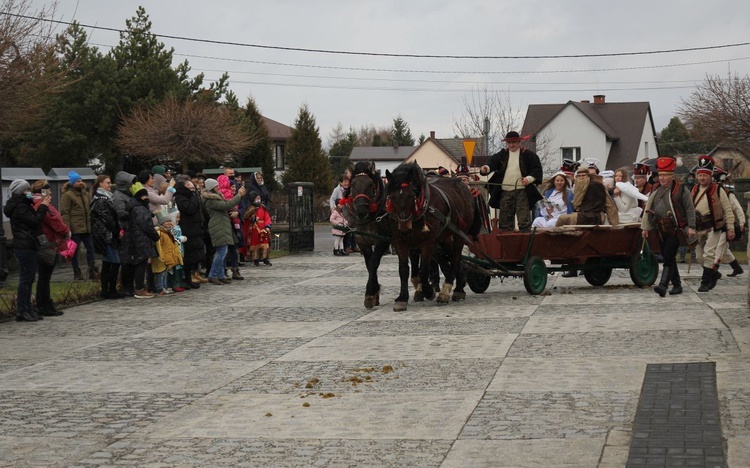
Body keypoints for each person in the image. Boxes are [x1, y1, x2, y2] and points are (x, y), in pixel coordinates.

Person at [641, 156, 696, 297]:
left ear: (672, 176)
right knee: (668, 256)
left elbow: (689, 209)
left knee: (668, 255)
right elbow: (649, 209)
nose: (662, 178)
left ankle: (663, 285)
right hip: (661, 230)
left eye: (665, 175)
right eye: (660, 175)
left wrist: (691, 226)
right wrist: (646, 227)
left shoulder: (681, 189)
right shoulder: (656, 191)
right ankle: (677, 285)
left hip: (676, 229)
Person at [4, 179, 51, 321]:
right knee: (26, 279)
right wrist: (42, 207)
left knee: (30, 278)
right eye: (28, 190)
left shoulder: (23, 203)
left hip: (28, 244)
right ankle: (22, 310)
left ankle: (28, 309)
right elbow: (35, 220)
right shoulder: (20, 207)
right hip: (25, 245)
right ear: (23, 191)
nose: (30, 192)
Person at [479, 131, 543, 232]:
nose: (512, 145)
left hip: (522, 192)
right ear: (506, 144)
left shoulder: (528, 155)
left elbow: (537, 169)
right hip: (505, 193)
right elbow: (492, 163)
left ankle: (525, 245)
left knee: (524, 221)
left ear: (519, 142)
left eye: (514, 142)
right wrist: (486, 168)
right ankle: (506, 245)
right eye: (509, 143)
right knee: (505, 223)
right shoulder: (502, 155)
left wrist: (529, 179)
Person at [691, 156, 736, 292]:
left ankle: (705, 283)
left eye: (705, 175)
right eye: (700, 175)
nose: (702, 178)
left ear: (710, 176)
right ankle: (714, 274)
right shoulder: (694, 190)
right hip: (699, 227)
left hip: (714, 226)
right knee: (699, 256)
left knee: (708, 254)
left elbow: (728, 210)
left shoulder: (718, 190)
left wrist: (731, 228)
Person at [31, 180, 69, 316]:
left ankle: (45, 303)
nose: (51, 194)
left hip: (47, 241)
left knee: (44, 276)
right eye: (49, 191)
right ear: (43, 192)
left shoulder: (37, 203)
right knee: (44, 276)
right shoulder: (42, 205)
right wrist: (66, 231)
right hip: (47, 243)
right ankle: (43, 304)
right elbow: (54, 221)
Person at [202, 178, 246, 285]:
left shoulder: (218, 197)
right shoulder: (211, 200)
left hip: (222, 226)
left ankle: (221, 275)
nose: (218, 188)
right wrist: (238, 195)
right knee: (221, 252)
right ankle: (213, 275)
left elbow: (229, 203)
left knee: (222, 252)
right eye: (216, 186)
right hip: (218, 227)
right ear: (211, 188)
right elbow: (226, 205)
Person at [121, 182, 159, 299]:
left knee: (138, 263)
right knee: (141, 264)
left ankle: (136, 287)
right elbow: (146, 225)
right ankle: (140, 288)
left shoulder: (133, 207)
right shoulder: (140, 209)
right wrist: (155, 235)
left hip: (135, 239)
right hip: (141, 239)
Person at [90, 175, 123, 300]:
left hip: (106, 234)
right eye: (107, 183)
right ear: (100, 184)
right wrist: (116, 231)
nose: (110, 185)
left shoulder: (104, 198)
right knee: (114, 262)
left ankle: (107, 290)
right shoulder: (101, 200)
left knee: (108, 262)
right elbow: (107, 220)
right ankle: (110, 290)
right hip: (106, 235)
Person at [61, 171, 96, 280]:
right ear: (72, 183)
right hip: (75, 228)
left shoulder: (85, 193)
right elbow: (65, 213)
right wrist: (67, 229)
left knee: (91, 249)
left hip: (86, 227)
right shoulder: (68, 195)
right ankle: (77, 273)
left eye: (81, 180)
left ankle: (92, 270)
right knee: (74, 251)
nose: (80, 183)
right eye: (77, 181)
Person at [173, 175, 205, 288]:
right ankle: (185, 279)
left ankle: (191, 277)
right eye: (188, 185)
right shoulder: (180, 197)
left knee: (193, 257)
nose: (191, 188)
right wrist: (193, 197)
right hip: (187, 229)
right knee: (187, 256)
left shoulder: (192, 196)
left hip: (195, 229)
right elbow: (190, 209)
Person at [713, 167, 745, 276]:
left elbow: (738, 209)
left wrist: (742, 223)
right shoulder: (710, 193)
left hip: (726, 225)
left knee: (719, 248)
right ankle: (737, 268)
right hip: (714, 225)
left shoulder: (728, 194)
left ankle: (713, 270)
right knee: (724, 250)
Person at [112, 171, 136, 296]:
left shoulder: (128, 195)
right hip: (125, 230)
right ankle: (127, 287)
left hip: (131, 230)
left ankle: (130, 286)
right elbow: (120, 213)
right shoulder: (118, 196)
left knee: (131, 261)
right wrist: (134, 211)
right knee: (126, 261)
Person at [217, 174, 244, 280]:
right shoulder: (221, 194)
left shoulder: (228, 193)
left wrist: (237, 212)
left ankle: (232, 269)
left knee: (232, 248)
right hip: (227, 222)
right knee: (227, 248)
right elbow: (228, 205)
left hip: (233, 222)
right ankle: (226, 270)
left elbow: (241, 206)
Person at [152, 211, 183, 296]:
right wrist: (160, 256)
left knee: (165, 273)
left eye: (170, 221)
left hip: (168, 256)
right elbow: (159, 246)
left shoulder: (169, 232)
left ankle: (165, 287)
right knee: (160, 273)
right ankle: (160, 288)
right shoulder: (160, 233)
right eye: (167, 222)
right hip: (162, 256)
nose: (169, 223)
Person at [244, 191, 273, 265]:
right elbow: (247, 217)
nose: (258, 200)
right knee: (255, 243)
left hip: (263, 226)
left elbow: (267, 216)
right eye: (257, 198)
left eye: (259, 198)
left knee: (265, 242)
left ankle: (265, 258)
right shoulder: (251, 208)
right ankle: (255, 258)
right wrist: (253, 219)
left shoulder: (263, 207)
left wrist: (267, 225)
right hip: (255, 227)